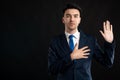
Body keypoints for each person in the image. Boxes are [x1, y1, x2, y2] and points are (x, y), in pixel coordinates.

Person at [48, 3, 115, 80]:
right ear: (63, 19)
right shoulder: (55, 42)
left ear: (79, 20)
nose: (72, 19)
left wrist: (109, 43)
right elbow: (51, 70)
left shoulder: (90, 40)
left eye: (75, 16)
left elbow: (107, 63)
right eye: (68, 16)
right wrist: (71, 57)